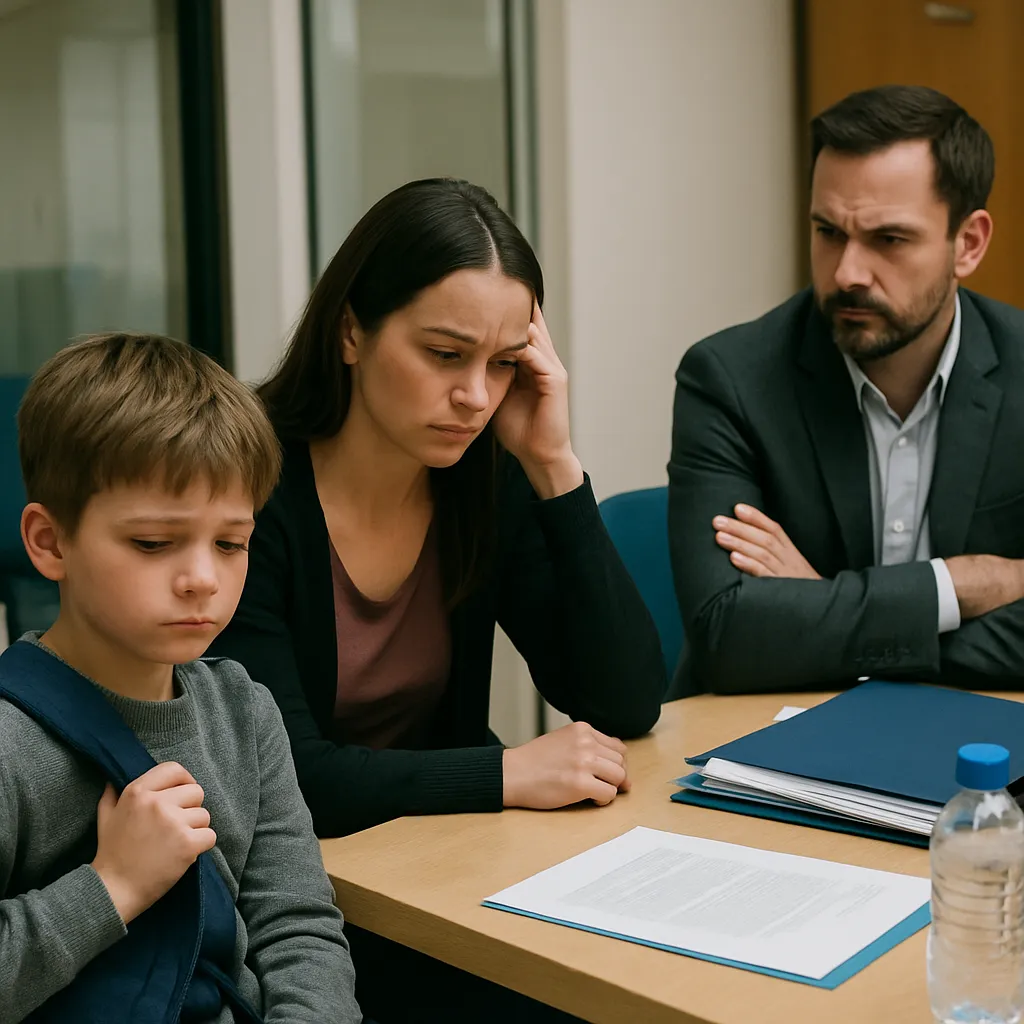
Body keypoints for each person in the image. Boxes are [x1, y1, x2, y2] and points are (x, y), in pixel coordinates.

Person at [210, 177, 665, 1021]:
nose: (477, 398)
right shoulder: (246, 491)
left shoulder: (483, 478)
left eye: (503, 364)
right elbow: (294, 780)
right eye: (445, 355)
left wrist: (555, 466)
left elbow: (625, 698)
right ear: (351, 330)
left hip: (441, 865)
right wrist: (504, 770)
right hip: (290, 904)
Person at [0, 334, 361, 1023]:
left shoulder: (243, 712)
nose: (203, 578)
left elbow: (299, 928)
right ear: (50, 542)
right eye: (153, 543)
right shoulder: (9, 742)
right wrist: (112, 886)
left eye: (231, 543)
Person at [668, 83, 1024, 698]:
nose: (847, 273)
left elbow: (773, 632)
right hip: (773, 740)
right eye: (828, 231)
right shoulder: (730, 379)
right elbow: (727, 634)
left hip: (978, 735)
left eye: (888, 239)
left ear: (968, 243)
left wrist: (819, 612)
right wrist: (953, 588)